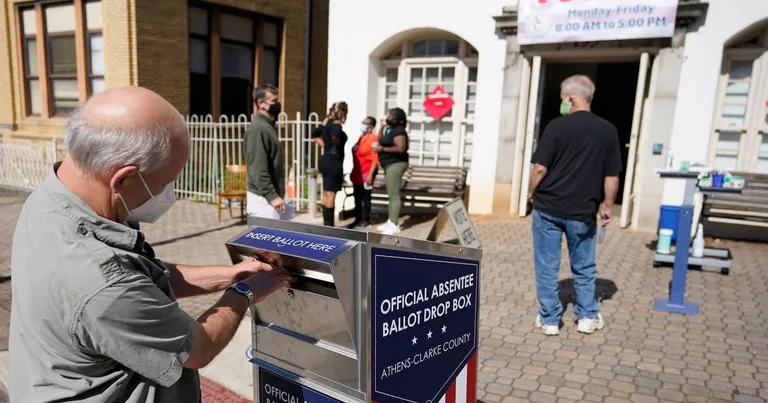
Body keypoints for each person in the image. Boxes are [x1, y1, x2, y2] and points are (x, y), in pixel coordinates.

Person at [8, 86, 292, 402]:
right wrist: (244, 293)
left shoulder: (52, 198)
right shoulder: (99, 279)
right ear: (123, 179)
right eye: (164, 182)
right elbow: (198, 348)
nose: (167, 193)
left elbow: (142, 279)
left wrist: (233, 274)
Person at [527, 75, 622, 336]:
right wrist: (608, 206)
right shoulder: (607, 131)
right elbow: (611, 176)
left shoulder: (556, 128)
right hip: (583, 211)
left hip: (548, 208)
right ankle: (587, 317)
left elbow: (539, 168)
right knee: (584, 266)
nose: (562, 105)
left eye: (562, 100)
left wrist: (530, 193)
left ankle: (549, 320)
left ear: (572, 98)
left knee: (547, 266)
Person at [245, 83, 285, 219]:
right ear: (261, 103)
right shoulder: (258, 129)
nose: (277, 104)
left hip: (269, 199)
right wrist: (272, 196)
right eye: (274, 101)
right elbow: (258, 168)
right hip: (263, 200)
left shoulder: (267, 127)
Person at [373, 107, 409, 235]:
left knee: (394, 194)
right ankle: (390, 221)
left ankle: (394, 224)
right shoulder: (390, 130)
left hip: (396, 164)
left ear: (395, 118)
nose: (386, 117)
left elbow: (401, 149)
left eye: (389, 115)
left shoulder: (399, 131)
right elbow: (378, 140)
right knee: (391, 193)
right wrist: (382, 127)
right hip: (388, 164)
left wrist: (382, 149)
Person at [316, 102, 349, 227]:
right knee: (331, 195)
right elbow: (335, 137)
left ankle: (326, 224)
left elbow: (314, 134)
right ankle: (329, 226)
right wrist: (334, 142)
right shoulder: (336, 125)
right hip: (334, 162)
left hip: (325, 160)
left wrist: (326, 144)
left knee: (326, 193)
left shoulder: (326, 124)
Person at [348, 116, 379, 228]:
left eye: (365, 123)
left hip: (366, 172)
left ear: (371, 126)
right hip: (357, 172)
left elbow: (375, 158)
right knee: (357, 196)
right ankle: (358, 218)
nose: (362, 124)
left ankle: (365, 219)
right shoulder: (361, 137)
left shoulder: (373, 138)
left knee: (365, 197)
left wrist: (370, 175)